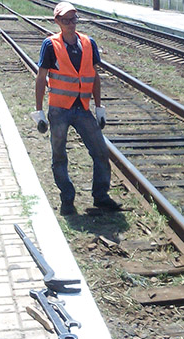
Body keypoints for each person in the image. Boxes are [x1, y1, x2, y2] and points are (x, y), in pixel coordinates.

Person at [32, 2, 121, 216]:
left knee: (100, 152)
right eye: (65, 20)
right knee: (59, 156)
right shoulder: (50, 45)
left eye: (73, 19)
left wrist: (99, 107)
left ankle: (101, 196)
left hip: (82, 107)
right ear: (57, 22)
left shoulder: (88, 43)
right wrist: (39, 113)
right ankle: (67, 200)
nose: (71, 24)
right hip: (59, 110)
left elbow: (94, 76)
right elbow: (41, 78)